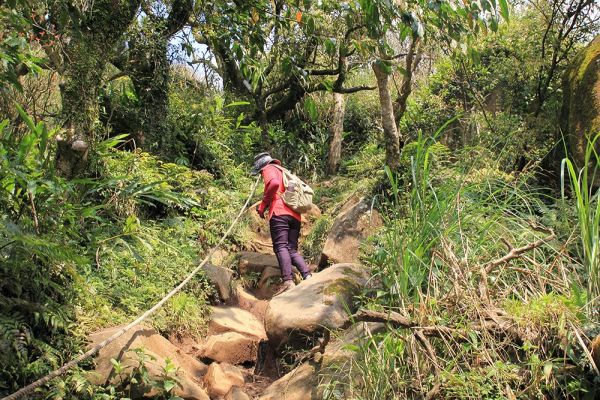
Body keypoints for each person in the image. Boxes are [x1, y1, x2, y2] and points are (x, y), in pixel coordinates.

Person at [251, 152, 312, 294]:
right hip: (295, 214)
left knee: (280, 247)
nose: (261, 175)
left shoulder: (268, 169)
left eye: (260, 172)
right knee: (291, 249)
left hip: (280, 213)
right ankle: (307, 276)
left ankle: (288, 281)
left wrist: (263, 205)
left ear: (262, 167)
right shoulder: (283, 171)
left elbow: (274, 184)